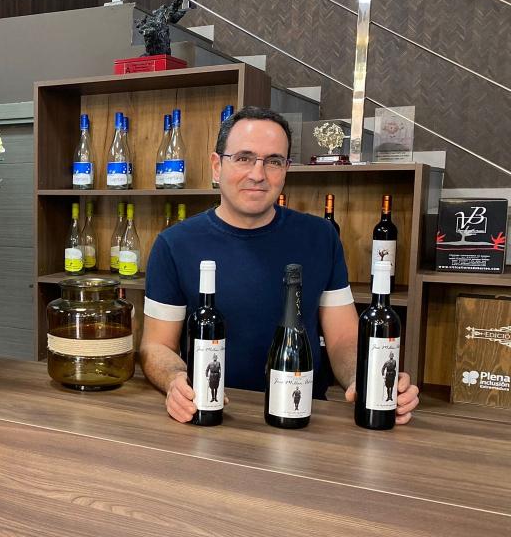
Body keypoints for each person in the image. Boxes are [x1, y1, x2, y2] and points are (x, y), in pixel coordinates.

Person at [139, 106, 420, 424]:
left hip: (302, 417)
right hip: (213, 413)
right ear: (217, 166)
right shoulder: (174, 244)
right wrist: (176, 381)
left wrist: (364, 378)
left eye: (273, 161)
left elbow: (343, 337)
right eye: (244, 158)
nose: (258, 174)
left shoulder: (320, 237)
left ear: (286, 169)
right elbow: (156, 345)